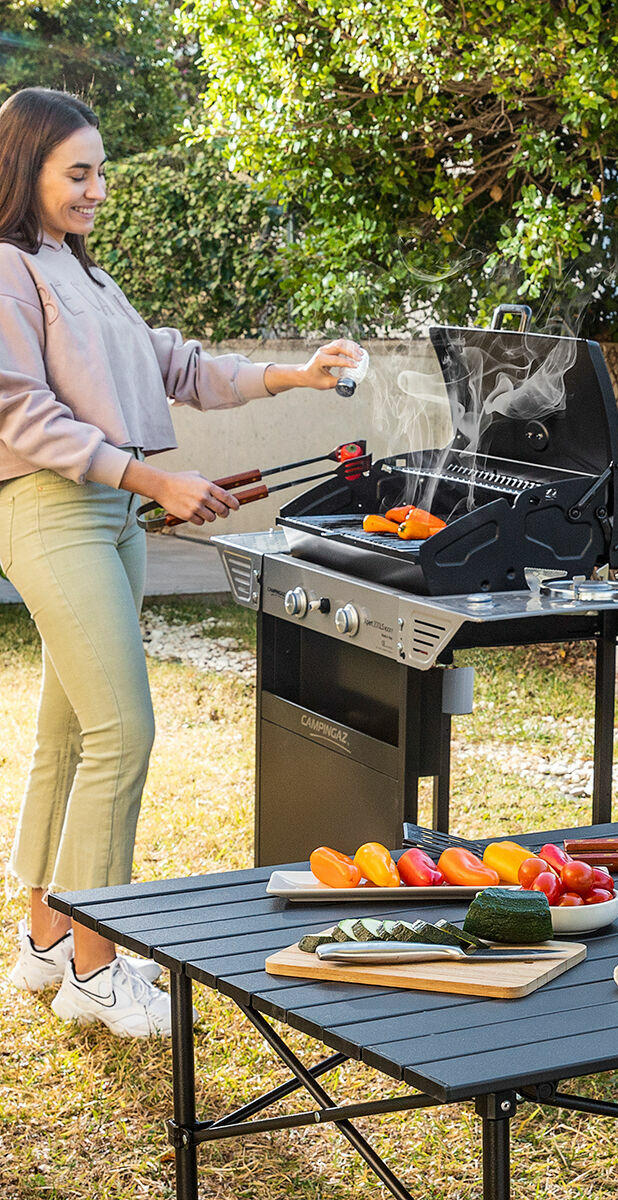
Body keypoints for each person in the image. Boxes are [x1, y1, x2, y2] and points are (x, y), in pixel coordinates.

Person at [0, 87, 364, 1036]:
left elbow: (176, 365)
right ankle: (95, 964)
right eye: (76, 172)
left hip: (109, 512)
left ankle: (43, 941)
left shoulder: (83, 275)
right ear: (24, 167)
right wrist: (157, 483)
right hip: (51, 510)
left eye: (100, 171)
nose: (97, 189)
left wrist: (296, 373)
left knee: (73, 736)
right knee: (124, 734)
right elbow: (19, 414)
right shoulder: (5, 270)